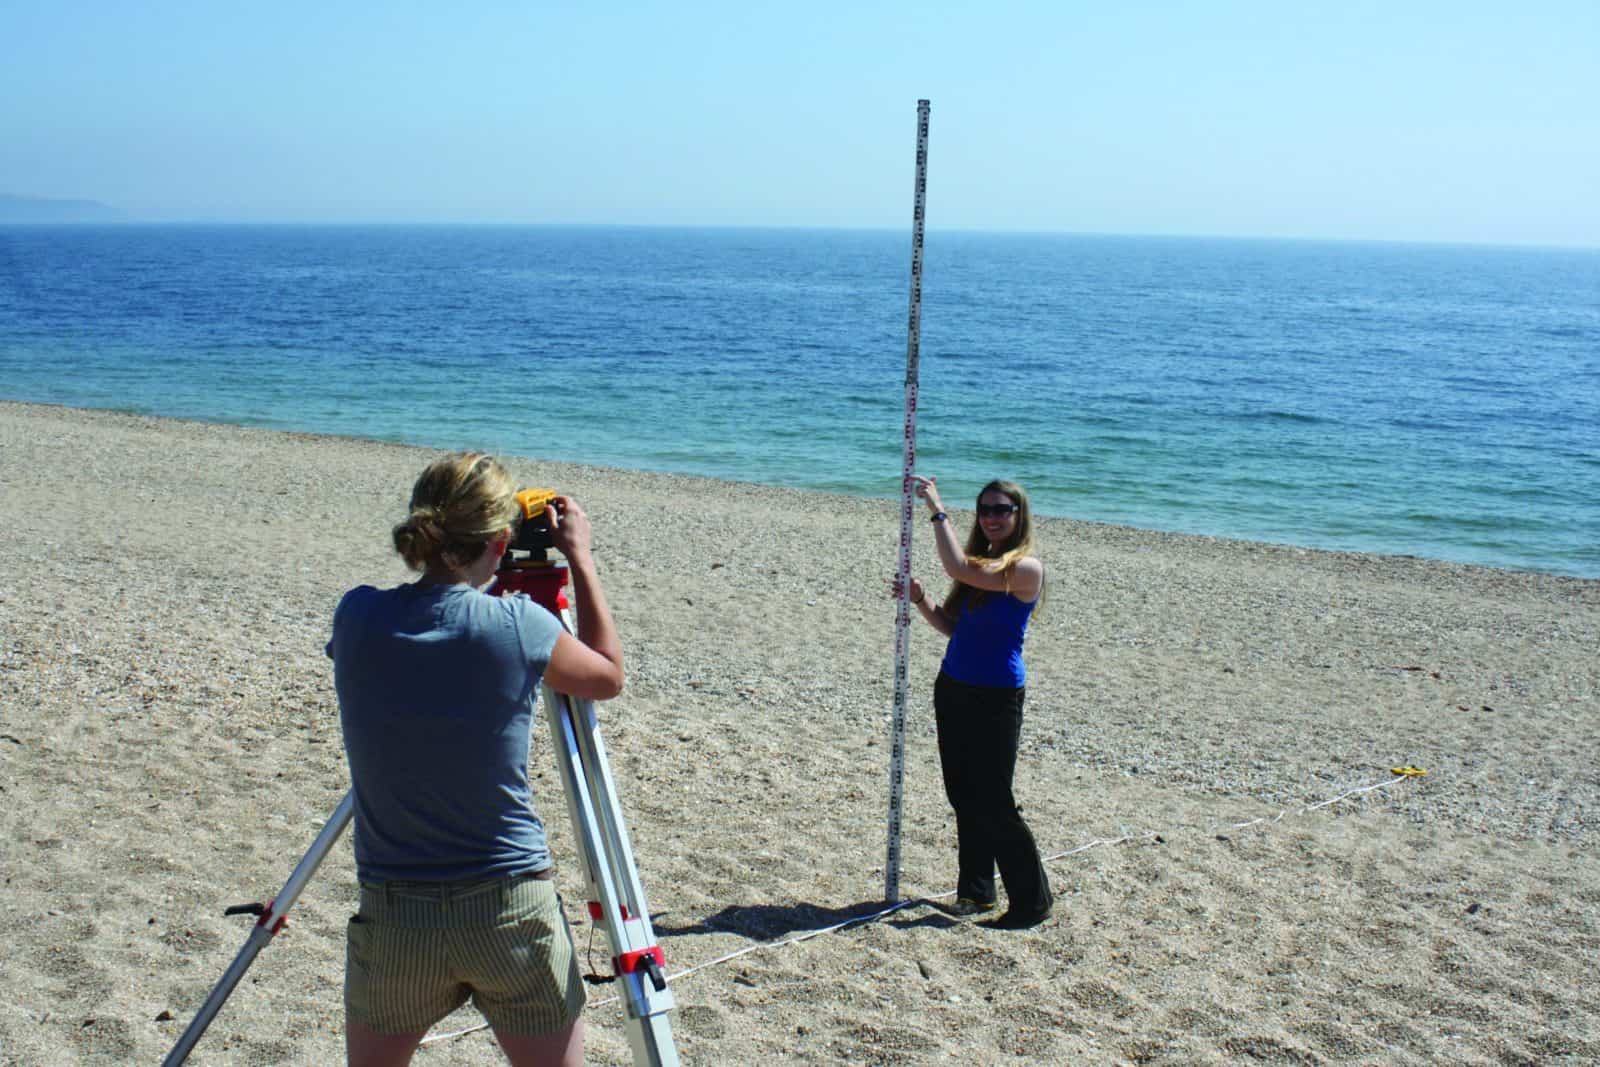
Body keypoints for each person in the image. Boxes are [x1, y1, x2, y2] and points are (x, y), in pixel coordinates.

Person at [327, 452, 624, 1067]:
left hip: (394, 913)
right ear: (498, 539)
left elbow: (431, 632)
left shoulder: (356, 616)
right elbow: (607, 678)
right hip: (507, 907)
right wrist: (581, 558)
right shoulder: (518, 625)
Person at [898, 474, 1053, 929]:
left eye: (1001, 510)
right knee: (963, 795)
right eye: (985, 510)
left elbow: (957, 568)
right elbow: (953, 627)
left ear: (1018, 515)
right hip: (953, 687)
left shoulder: (1026, 569)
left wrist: (935, 507)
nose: (991, 518)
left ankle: (1031, 902)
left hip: (996, 696)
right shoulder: (978, 567)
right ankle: (976, 892)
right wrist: (922, 601)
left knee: (995, 800)